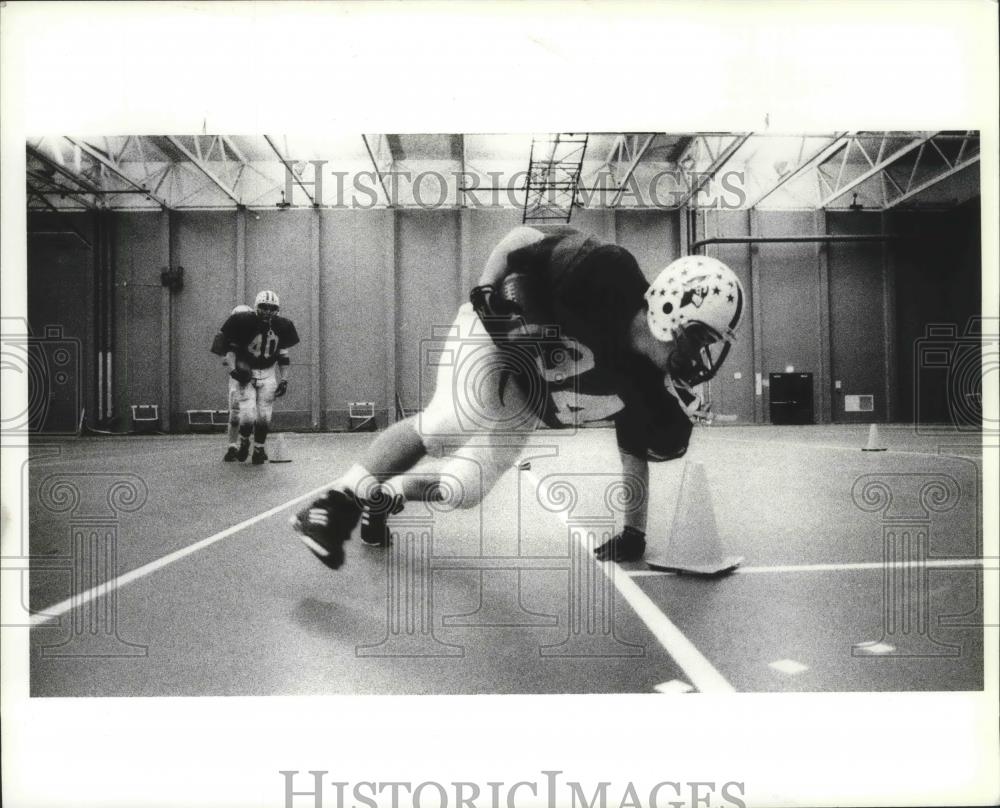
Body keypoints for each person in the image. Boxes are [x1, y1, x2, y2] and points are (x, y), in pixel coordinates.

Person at [291, 225, 743, 569]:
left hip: (531, 389)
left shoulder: (645, 381)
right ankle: (332, 505)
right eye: (701, 338)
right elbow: (522, 237)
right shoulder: (605, 272)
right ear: (673, 310)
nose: (700, 355)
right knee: (454, 419)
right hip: (495, 335)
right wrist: (488, 289)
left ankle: (384, 494)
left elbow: (633, 456)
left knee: (463, 489)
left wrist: (634, 533)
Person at [210, 291, 300, 464]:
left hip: (267, 373)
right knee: (247, 416)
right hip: (247, 373)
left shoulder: (283, 325)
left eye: (272, 308)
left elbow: (283, 355)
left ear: (278, 310)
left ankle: (259, 448)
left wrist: (285, 379)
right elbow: (229, 351)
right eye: (264, 307)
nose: (267, 311)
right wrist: (234, 369)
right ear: (256, 307)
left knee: (264, 416)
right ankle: (242, 442)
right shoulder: (243, 321)